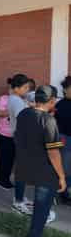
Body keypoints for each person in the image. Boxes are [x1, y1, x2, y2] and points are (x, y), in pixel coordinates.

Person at [15, 85, 66, 237]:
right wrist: (62, 177)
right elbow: (54, 153)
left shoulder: (23, 114)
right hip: (45, 171)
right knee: (41, 211)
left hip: (25, 166)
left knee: (40, 207)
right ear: (51, 101)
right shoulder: (49, 121)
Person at [8, 74, 33, 216]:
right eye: (25, 88)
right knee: (22, 170)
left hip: (20, 137)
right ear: (17, 88)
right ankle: (18, 202)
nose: (27, 90)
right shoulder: (16, 101)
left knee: (22, 169)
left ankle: (20, 197)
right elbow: (23, 119)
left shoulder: (17, 99)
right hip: (22, 138)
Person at [0, 78, 15, 190]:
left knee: (11, 158)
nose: (10, 90)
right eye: (10, 88)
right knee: (5, 158)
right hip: (3, 133)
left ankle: (6, 179)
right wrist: (13, 110)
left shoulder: (22, 99)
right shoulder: (4, 98)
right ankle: (1, 181)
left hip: (15, 135)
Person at [55, 76, 71, 205]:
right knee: (64, 168)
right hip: (64, 139)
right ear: (65, 90)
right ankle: (61, 194)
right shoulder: (60, 105)